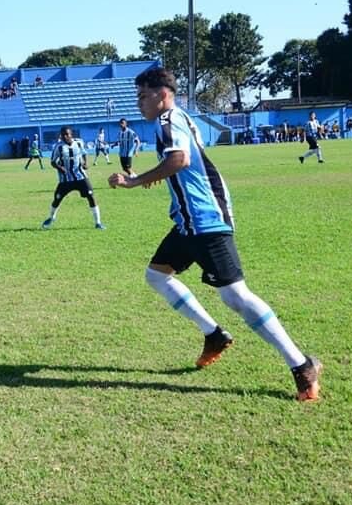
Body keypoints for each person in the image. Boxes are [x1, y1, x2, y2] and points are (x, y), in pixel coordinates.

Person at [107, 68, 322, 401]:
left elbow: (180, 158)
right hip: (189, 221)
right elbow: (184, 164)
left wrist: (135, 180)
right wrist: (157, 177)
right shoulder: (179, 118)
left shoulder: (166, 122)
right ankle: (214, 334)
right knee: (157, 275)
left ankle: (301, 364)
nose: (139, 103)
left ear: (163, 94)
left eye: (143, 96)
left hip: (204, 218)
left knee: (235, 296)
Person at [42, 126, 104, 230]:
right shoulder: (58, 147)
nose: (65, 136)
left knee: (91, 196)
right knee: (57, 199)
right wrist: (60, 167)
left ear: (71, 134)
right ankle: (51, 218)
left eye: (67, 134)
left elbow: (84, 153)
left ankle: (98, 223)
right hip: (65, 179)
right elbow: (53, 162)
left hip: (81, 177)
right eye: (63, 135)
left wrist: (85, 163)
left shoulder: (79, 143)